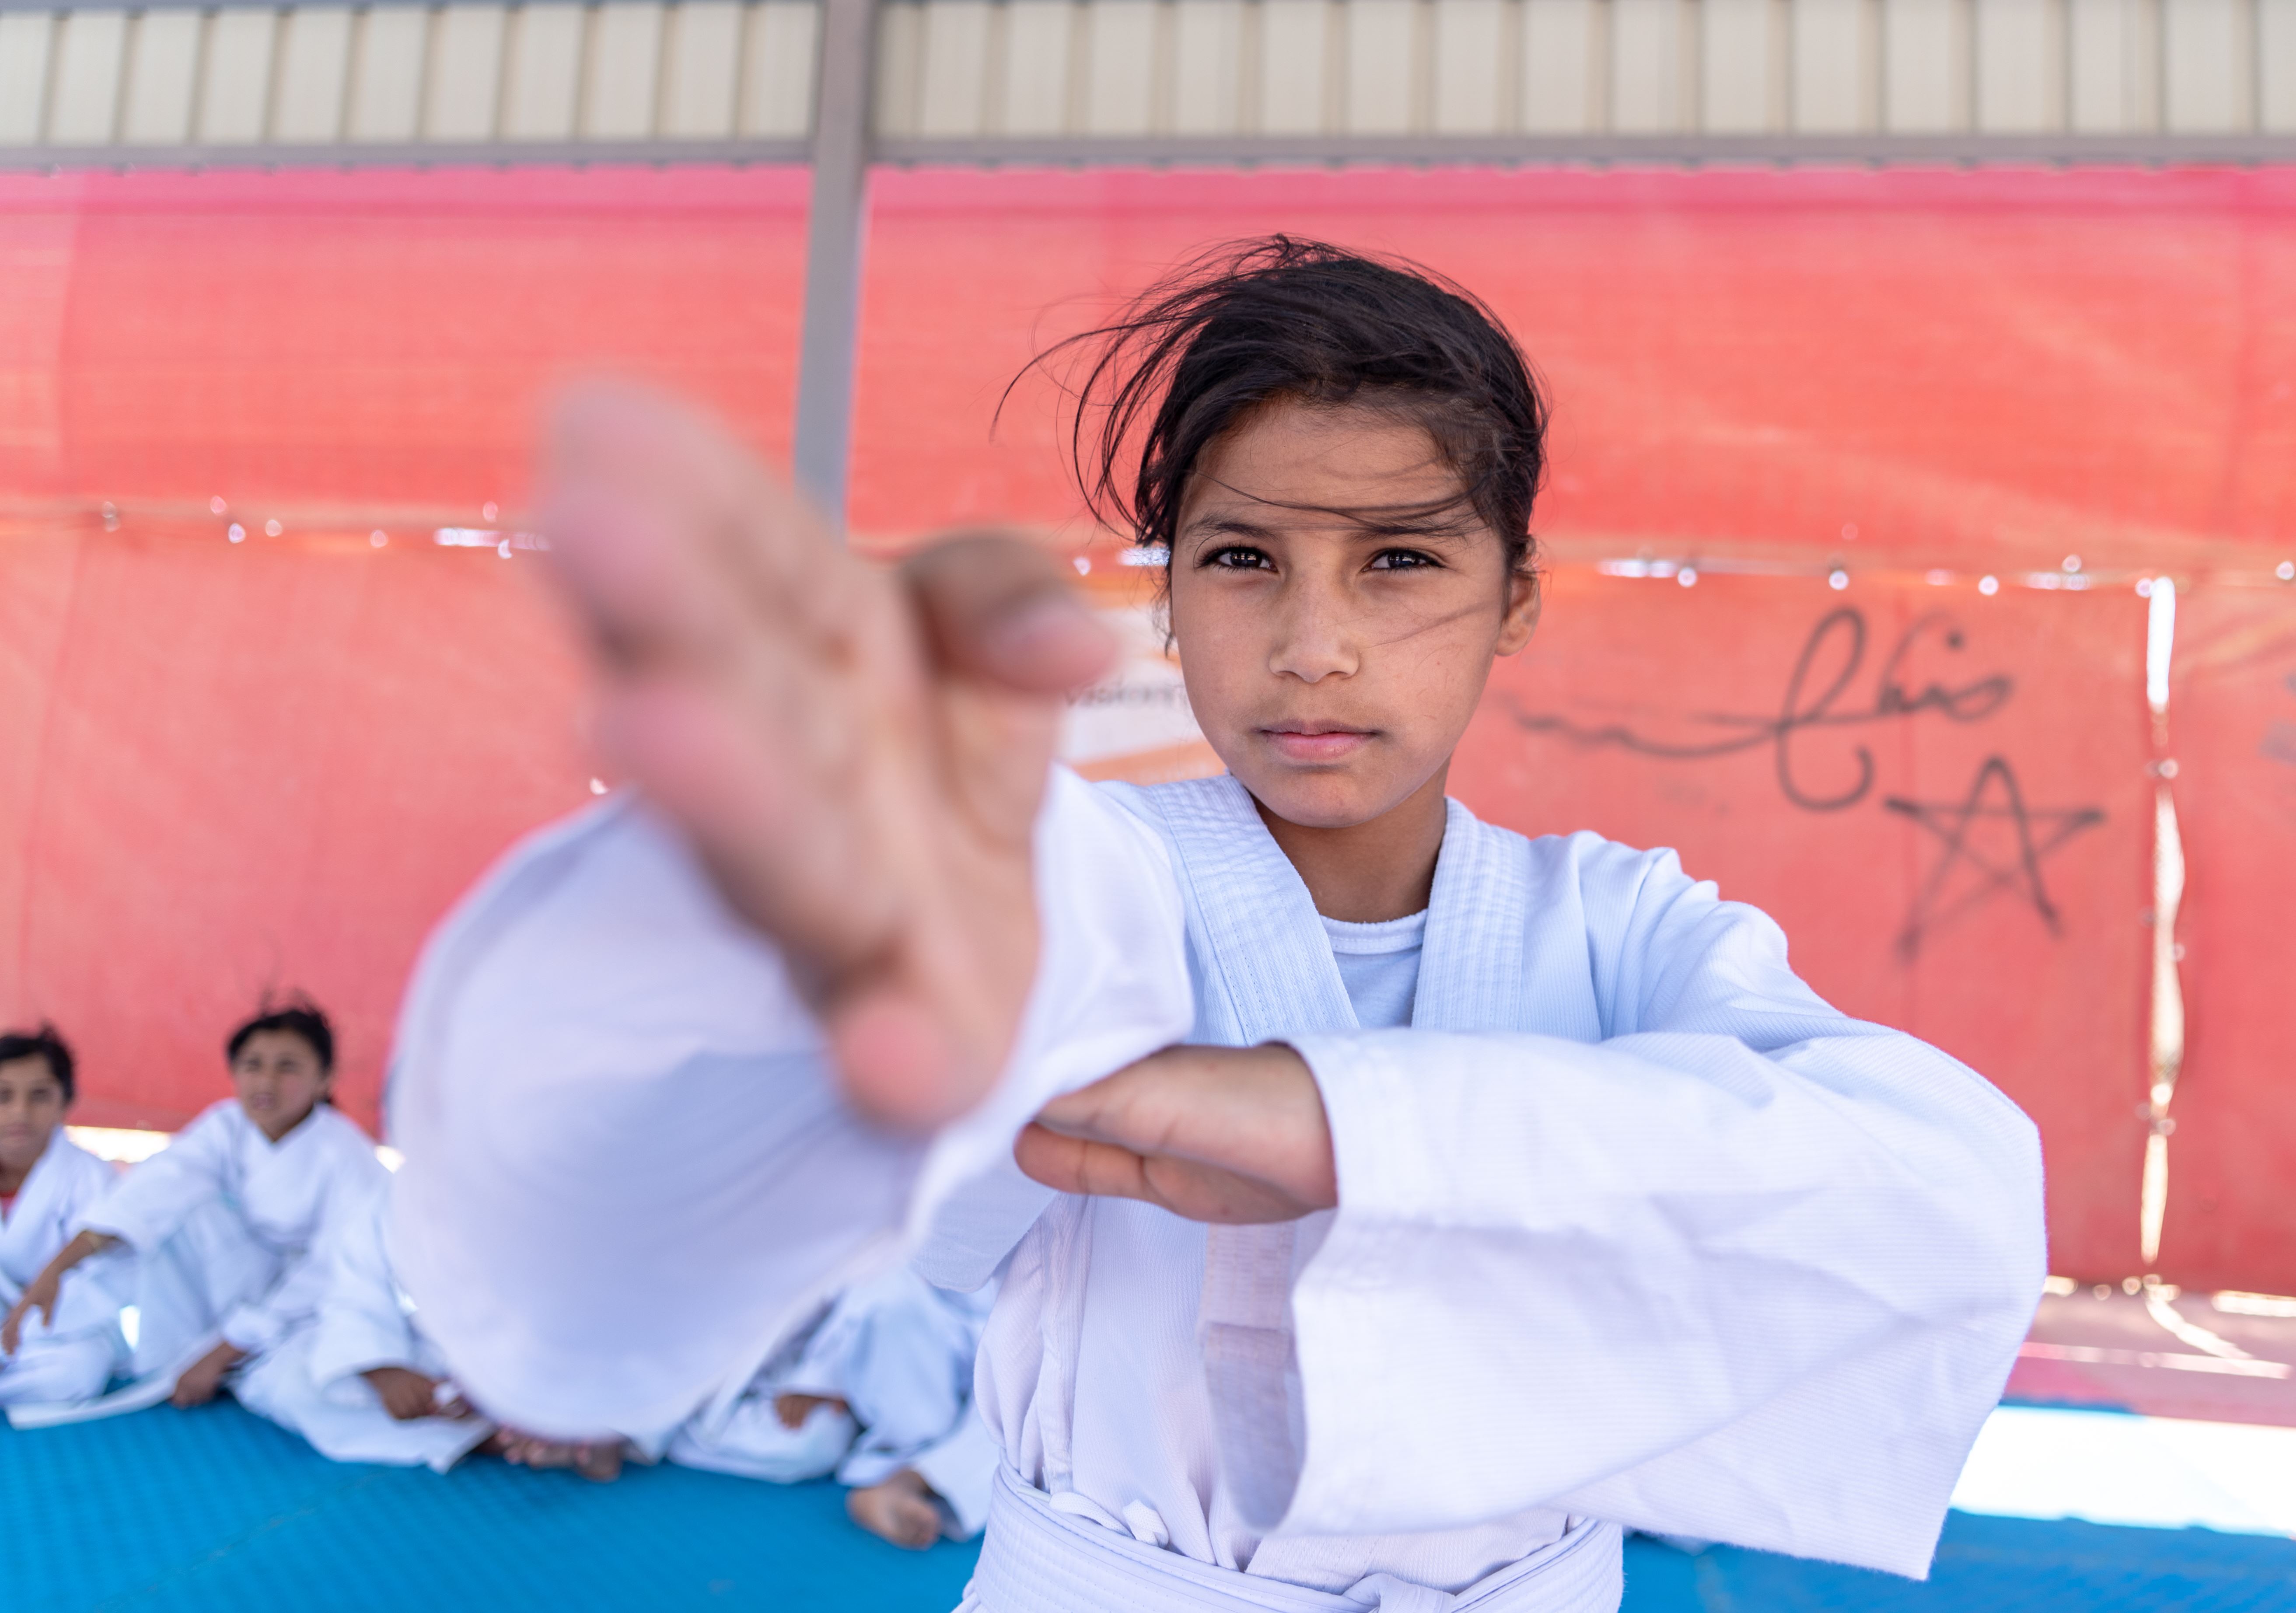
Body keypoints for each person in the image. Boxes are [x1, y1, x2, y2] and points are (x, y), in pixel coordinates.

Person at [389, 239, 2045, 1612]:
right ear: (1167, 595)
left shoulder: (1617, 930)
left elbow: (1940, 1187)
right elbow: (826, 1061)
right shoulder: (1081, 886)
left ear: (1515, 597)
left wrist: (1318, 1120)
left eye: (1399, 561)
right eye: (1245, 557)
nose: (1314, 645)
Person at [4, 1002, 386, 1407]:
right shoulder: (226, 1126)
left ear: (325, 1078)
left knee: (300, 1394)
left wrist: (228, 1347)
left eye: (287, 1067)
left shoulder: (348, 1158)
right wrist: (58, 1268)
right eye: (252, 1065)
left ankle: (226, 1362)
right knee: (177, 1210)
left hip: (311, 1311)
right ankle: (184, 1359)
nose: (266, 1081)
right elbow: (152, 1192)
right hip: (237, 1301)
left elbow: (332, 1272)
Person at [671, 1266, 1002, 1547]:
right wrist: (821, 1375)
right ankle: (646, 1425)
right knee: (808, 1441)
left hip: (971, 1361)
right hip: (872, 1332)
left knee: (1024, 1422)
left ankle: (908, 1481)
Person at [230, 1175, 494, 1471]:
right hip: (417, 1355)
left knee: (525, 1404)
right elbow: (355, 1296)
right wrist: (384, 1370)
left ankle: (510, 1431)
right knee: (292, 1386)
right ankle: (486, 1435)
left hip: (515, 1368)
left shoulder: (538, 1200)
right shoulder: (390, 1200)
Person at [0, 1025, 126, 1407]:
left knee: (74, 1375)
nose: (20, 1112)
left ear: (66, 1100)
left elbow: (107, 1278)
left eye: (39, 1095)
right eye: (4, 1095)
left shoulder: (92, 1178)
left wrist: (26, 1327)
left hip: (61, 1331)